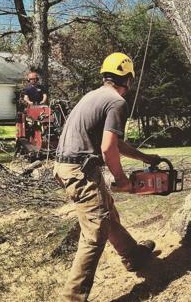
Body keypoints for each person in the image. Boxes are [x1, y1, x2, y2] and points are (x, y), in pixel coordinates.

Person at [53, 52, 161, 302]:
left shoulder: (93, 96)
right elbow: (107, 149)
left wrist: (145, 158)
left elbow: (114, 142)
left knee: (107, 213)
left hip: (70, 167)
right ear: (129, 80)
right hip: (80, 171)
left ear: (105, 76)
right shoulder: (116, 102)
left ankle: (133, 254)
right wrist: (121, 178)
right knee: (95, 231)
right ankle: (71, 299)